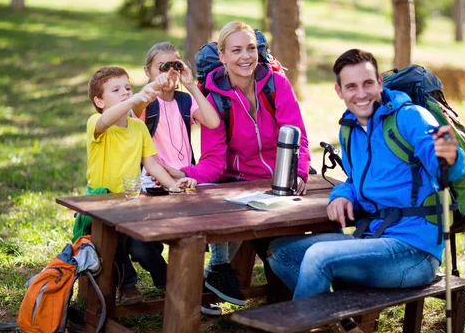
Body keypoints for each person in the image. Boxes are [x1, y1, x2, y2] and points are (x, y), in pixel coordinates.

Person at [229, 49, 465, 333]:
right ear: (339, 91)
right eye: (351, 86)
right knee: (281, 252)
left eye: (368, 83)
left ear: (380, 83)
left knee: (319, 256)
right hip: (376, 239)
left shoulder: (410, 118)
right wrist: (341, 194)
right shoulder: (350, 130)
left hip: (414, 253)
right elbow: (355, 182)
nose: (361, 93)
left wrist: (449, 155)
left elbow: (449, 167)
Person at [164, 21, 311, 310]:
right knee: (275, 248)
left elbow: (299, 136)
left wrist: (299, 171)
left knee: (309, 238)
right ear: (222, 56)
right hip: (241, 185)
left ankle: (227, 278)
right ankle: (223, 274)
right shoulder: (215, 98)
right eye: (237, 50)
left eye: (251, 48)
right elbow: (214, 161)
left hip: (284, 182)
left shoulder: (276, 84)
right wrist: (184, 173)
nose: (246, 56)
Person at [85, 66, 196, 306]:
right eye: (116, 90)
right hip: (101, 205)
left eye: (127, 87)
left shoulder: (138, 128)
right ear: (99, 100)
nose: (125, 92)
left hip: (133, 203)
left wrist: (175, 187)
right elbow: (105, 120)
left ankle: (171, 284)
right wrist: (135, 99)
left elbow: (153, 165)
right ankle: (128, 286)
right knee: (113, 241)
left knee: (143, 248)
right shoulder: (96, 122)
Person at [132, 41, 222, 315]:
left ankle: (192, 287)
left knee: (192, 238)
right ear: (148, 71)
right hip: (152, 184)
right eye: (163, 67)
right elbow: (133, 113)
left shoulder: (185, 100)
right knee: (141, 247)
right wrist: (154, 88)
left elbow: (212, 121)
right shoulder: (145, 101)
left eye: (175, 65)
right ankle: (177, 284)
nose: (170, 73)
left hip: (184, 181)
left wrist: (192, 85)